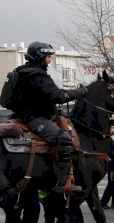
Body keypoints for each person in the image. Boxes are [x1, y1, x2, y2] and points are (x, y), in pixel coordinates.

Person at [6, 42, 88, 195]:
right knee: (63, 137)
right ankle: (62, 182)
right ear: (39, 57)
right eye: (48, 57)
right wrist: (81, 92)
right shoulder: (36, 75)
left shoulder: (21, 72)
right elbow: (58, 95)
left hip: (20, 117)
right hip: (36, 119)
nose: (50, 60)